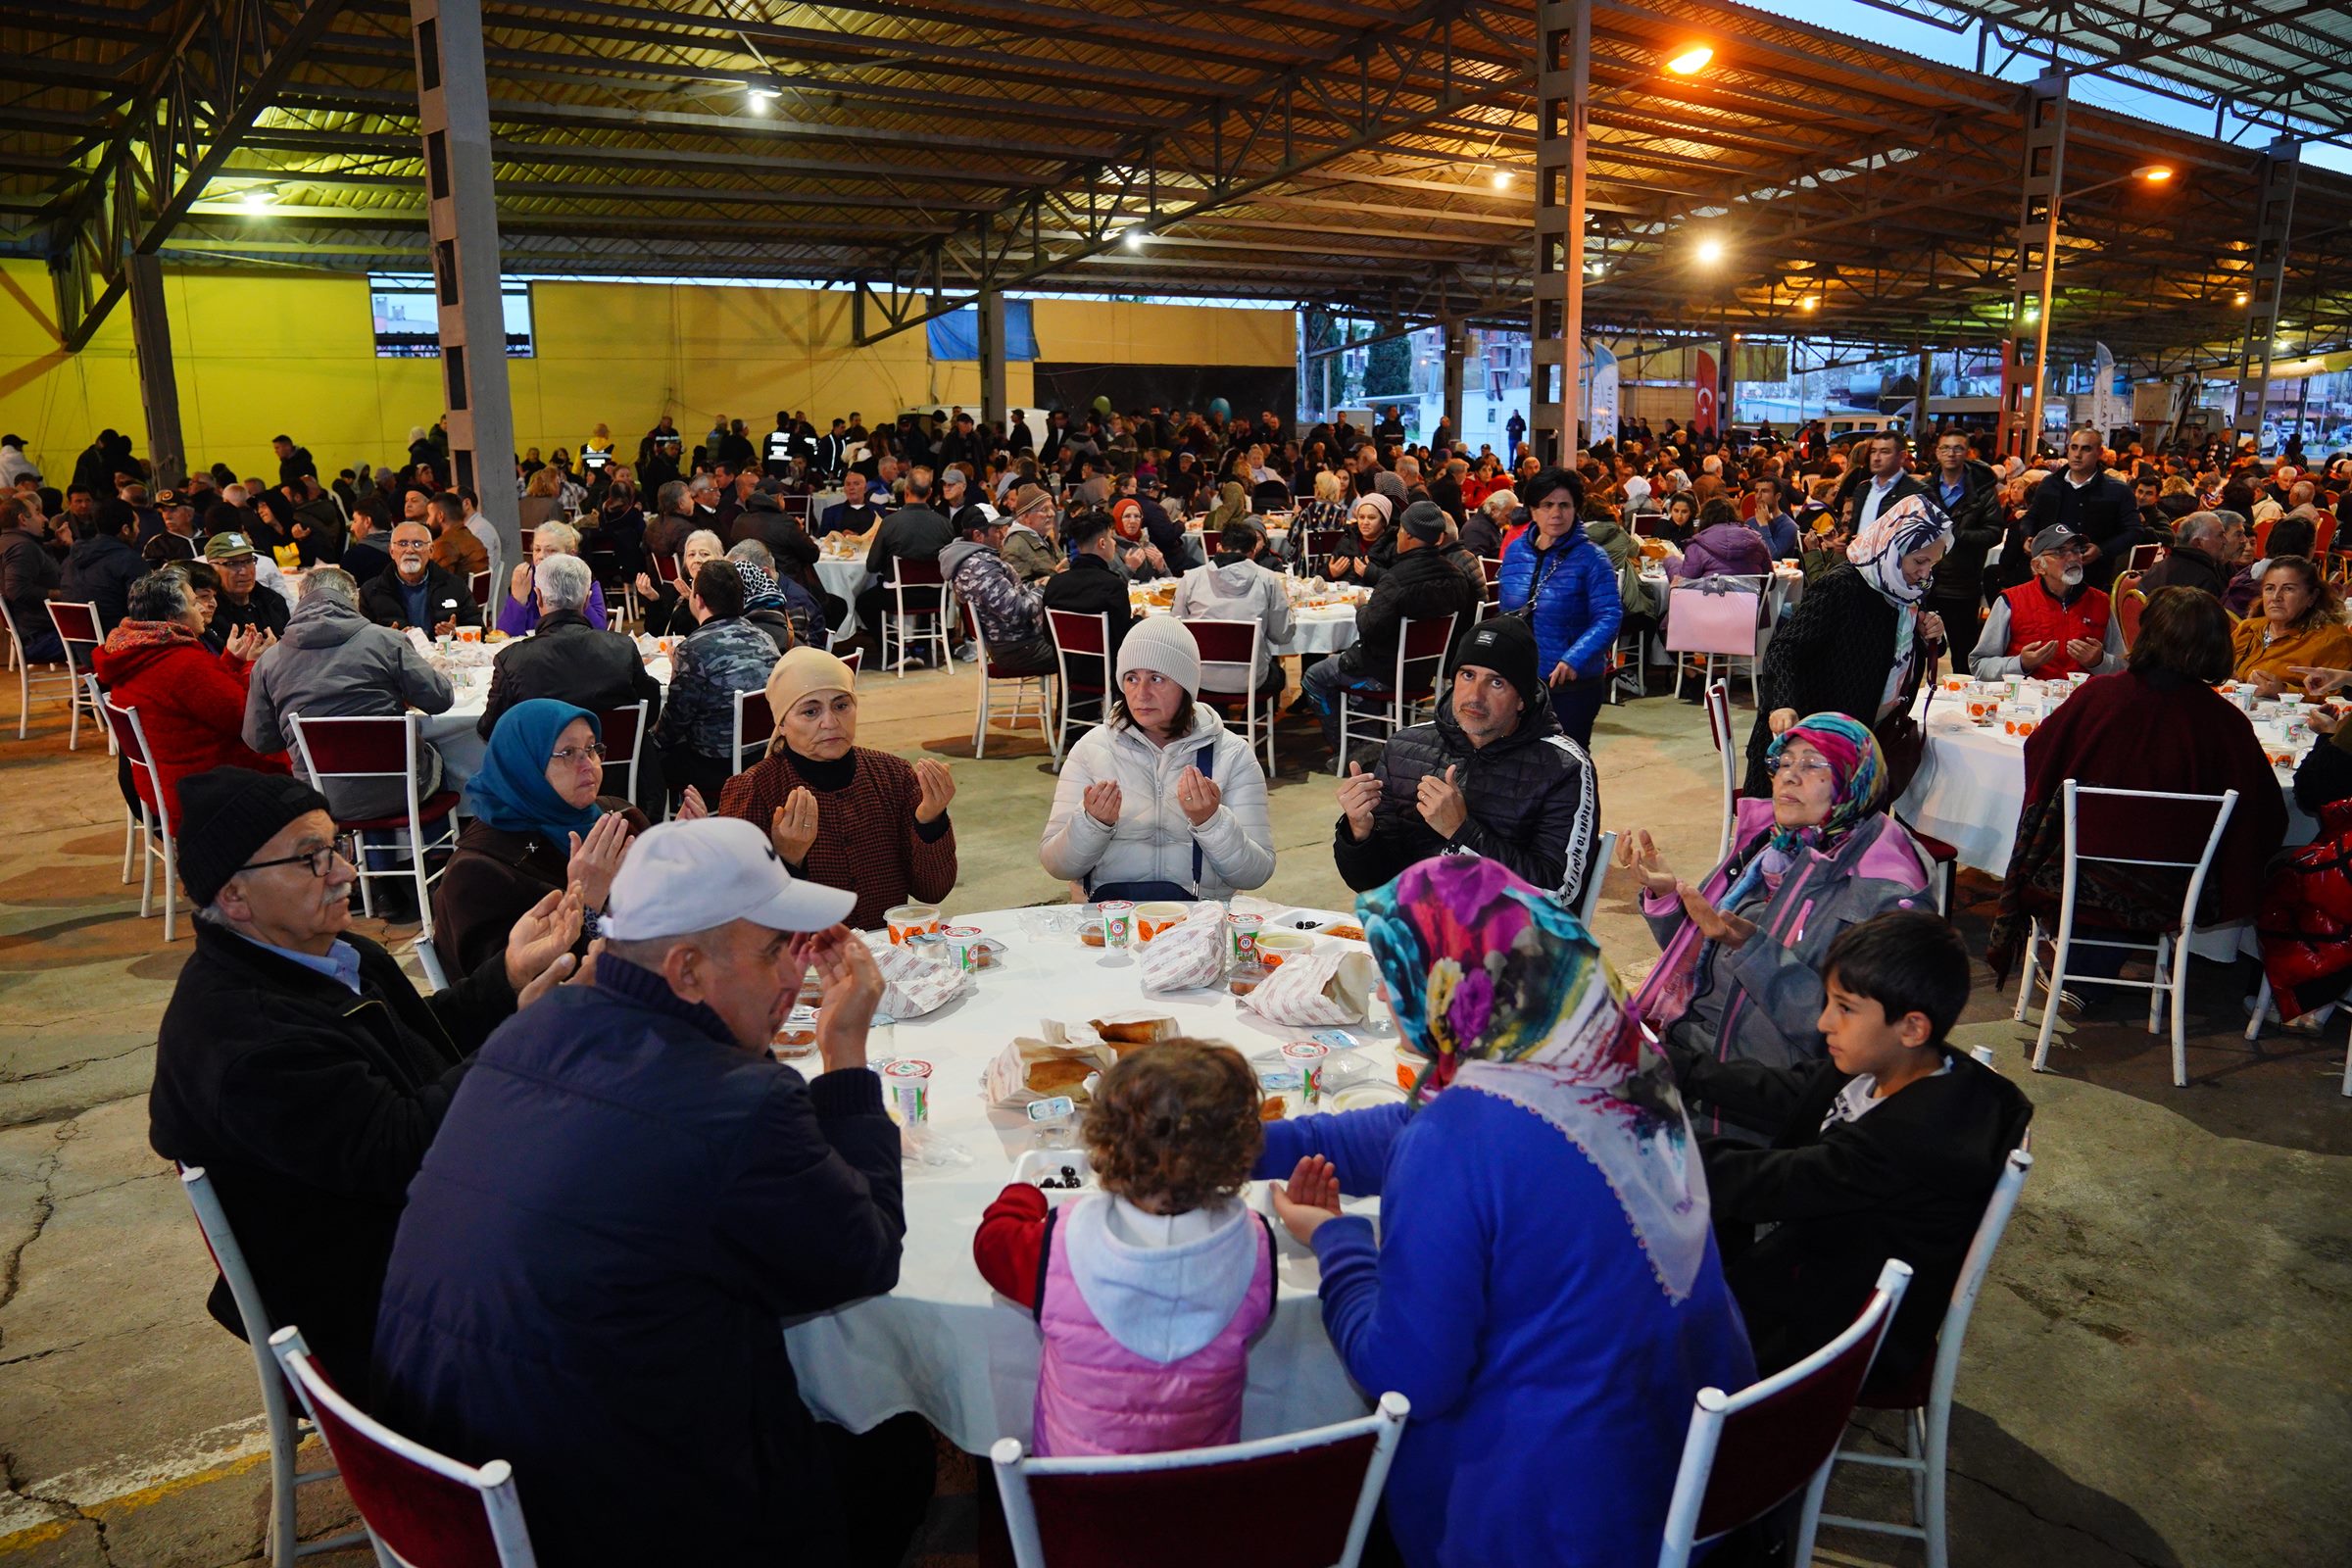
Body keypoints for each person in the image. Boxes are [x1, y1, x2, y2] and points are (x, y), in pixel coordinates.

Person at [370, 819, 910, 1567]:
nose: (794, 979)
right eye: (772, 952)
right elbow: (864, 1258)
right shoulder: (741, 1104)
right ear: (685, 971)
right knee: (891, 1450)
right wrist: (844, 1053)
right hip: (603, 1514)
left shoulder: (537, 1025)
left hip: (445, 1485)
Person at [1258, 856, 1752, 1567]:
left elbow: (1406, 1377)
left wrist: (1339, 1241)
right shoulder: (1607, 1061)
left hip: (1549, 1521)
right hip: (1689, 1467)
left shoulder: (1457, 1138)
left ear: (1455, 978)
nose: (1388, 994)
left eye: (1398, 970)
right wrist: (1252, 1145)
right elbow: (1409, 1131)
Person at [151, 766, 582, 1387]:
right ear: (235, 896)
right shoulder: (246, 1039)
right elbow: (402, 1150)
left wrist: (508, 979)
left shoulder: (329, 956)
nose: (346, 872)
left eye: (337, 847)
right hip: (386, 1308)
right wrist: (528, 1042)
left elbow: (415, 1041)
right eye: (311, 859)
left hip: (430, 1236)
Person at [1666, 911, 2034, 1390]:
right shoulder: (1905, 1063)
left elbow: (1777, 1183)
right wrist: (1674, 1068)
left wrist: (1654, 1148)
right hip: (1819, 1262)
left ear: (1912, 1027)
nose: (1823, 1023)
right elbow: (1786, 1090)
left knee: (1638, 1317)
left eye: (1844, 1008)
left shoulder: (1914, 1137)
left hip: (1843, 1329)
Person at [1631, 714, 1936, 1136]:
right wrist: (1668, 897)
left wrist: (1753, 951)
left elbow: (1861, 1036)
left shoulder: (1883, 894)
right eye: (1784, 762)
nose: (1789, 776)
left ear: (1853, 778)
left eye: (1812, 764)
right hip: (1688, 1045)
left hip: (1749, 1095)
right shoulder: (1773, 848)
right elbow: (1701, 958)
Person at [974, 1040, 1274, 1456]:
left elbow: (992, 1244)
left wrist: (1024, 1193)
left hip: (1074, 1481)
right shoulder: (1255, 1244)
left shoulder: (1062, 1244)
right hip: (1200, 1480)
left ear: (1102, 1146)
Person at [1986, 588, 2289, 992]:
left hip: (2079, 870)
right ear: (2218, 646)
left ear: (2146, 635)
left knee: (2103, 844)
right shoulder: (2226, 723)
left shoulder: (2100, 696)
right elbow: (2265, 815)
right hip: (2176, 885)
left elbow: (2041, 755)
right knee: (2150, 852)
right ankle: (2090, 970)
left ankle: (2081, 971)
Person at [1333, 615, 1599, 903]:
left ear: (1522, 698)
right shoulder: (1404, 747)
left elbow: (1558, 893)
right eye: (1468, 675)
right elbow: (1372, 883)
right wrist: (1359, 832)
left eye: (1496, 682)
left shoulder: (1564, 767)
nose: (1475, 696)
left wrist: (1461, 833)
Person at [715, 647, 958, 931]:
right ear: (781, 724)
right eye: (810, 711)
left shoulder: (894, 776)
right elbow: (742, 920)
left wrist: (930, 822)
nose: (830, 723)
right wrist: (788, 858)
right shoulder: (755, 790)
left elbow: (933, 891)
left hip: (887, 950)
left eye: (841, 706)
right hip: (803, 955)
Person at [1040, 617, 1274, 902]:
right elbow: (1057, 866)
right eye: (1132, 678)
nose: (1141, 694)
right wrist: (1092, 824)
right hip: (1113, 919)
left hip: (1200, 919)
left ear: (1186, 685)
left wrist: (1211, 822)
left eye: (1157, 678)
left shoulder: (1232, 754)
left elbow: (1254, 875)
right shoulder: (1091, 750)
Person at [1746, 493, 1950, 794]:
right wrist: (1782, 703)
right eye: (1920, 561)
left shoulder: (1906, 589)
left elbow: (1898, 650)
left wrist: (1931, 634)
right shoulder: (1844, 586)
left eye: (1932, 563)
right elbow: (1784, 648)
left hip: (1865, 738)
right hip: (1813, 739)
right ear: (1892, 548)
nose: (1925, 572)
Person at [433, 700, 644, 974]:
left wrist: (682, 859)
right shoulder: (477, 873)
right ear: (523, 765)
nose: (588, 764)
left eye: (591, 748)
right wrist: (585, 903)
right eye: (568, 753)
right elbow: (513, 990)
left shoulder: (615, 815)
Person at [244, 568, 456, 821]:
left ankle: (368, 849)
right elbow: (440, 699)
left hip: (320, 795)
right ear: (353, 599)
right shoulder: (387, 641)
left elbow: (261, 741)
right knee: (436, 752)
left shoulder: (268, 661)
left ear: (301, 600)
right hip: (399, 790)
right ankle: (432, 844)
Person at [92, 570, 286, 822]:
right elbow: (246, 721)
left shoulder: (137, 650)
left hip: (163, 782)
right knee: (301, 763)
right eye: (195, 603)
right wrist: (253, 666)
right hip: (203, 789)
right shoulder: (180, 663)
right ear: (173, 617)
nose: (203, 608)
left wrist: (234, 661)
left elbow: (205, 697)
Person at [1495, 466, 1621, 749]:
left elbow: (1609, 617)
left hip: (1572, 683)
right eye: (1547, 505)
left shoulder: (1592, 558)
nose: (1556, 513)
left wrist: (1574, 658)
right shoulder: (1515, 552)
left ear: (1576, 509)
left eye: (1564, 505)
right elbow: (1505, 614)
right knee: (1517, 759)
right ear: (1532, 510)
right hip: (1519, 680)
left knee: (1568, 760)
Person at [476, 552, 664, 734]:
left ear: (538, 597)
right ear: (587, 600)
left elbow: (489, 728)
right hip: (611, 753)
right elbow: (648, 711)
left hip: (542, 755)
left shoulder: (512, 660)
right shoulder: (622, 648)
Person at [651, 560, 782, 808]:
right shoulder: (765, 638)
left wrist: (648, 739)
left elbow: (673, 725)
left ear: (698, 600)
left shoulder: (694, 648)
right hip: (766, 754)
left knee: (647, 752)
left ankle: (663, 820)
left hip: (715, 762)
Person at [1970, 524, 2126, 681]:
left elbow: (2125, 668)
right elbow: (1980, 665)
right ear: (2038, 566)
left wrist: (2100, 662)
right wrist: (2021, 664)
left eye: (2076, 550)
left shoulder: (2100, 601)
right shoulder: (2012, 600)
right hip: (2027, 695)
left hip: (2084, 695)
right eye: (2060, 552)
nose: (2073, 558)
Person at [1171, 518, 1293, 697]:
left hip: (1200, 677)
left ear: (1218, 547)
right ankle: (1252, 714)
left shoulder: (1191, 578)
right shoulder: (1268, 579)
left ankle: (1216, 712)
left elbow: (1176, 628)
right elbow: (1281, 634)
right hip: (1251, 679)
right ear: (1253, 552)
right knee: (1277, 674)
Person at [2022, 426, 2142, 592]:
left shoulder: (2117, 490)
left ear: (2099, 453)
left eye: (2086, 449)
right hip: (2051, 573)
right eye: (2074, 447)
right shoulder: (2050, 484)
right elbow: (2031, 517)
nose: (2077, 454)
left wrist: (2101, 550)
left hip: (2093, 575)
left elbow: (2134, 531)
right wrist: (2028, 535)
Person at [941, 511, 1055, 675]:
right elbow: (1016, 611)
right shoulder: (981, 568)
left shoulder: (976, 562)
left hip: (1018, 644)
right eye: (996, 530)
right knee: (1082, 653)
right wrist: (1044, 589)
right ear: (978, 535)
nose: (1003, 535)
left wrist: (1034, 585)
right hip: (1018, 649)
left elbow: (1009, 596)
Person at [855, 468, 954, 649]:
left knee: (863, 602)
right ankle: (922, 645)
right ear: (930, 492)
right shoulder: (944, 524)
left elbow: (872, 565)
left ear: (906, 490)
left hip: (897, 596)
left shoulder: (891, 522)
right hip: (935, 596)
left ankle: (891, 647)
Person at [1040, 509, 1139, 678]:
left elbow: (1049, 636)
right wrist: (1139, 619)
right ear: (1102, 543)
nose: (1114, 543)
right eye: (1111, 538)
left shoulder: (1055, 584)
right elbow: (1123, 638)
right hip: (1108, 675)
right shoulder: (1113, 586)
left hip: (1070, 672)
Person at [2230, 554, 2352, 691]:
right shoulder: (2247, 629)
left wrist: (2284, 691)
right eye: (2269, 588)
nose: (2276, 597)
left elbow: (2339, 697)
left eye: (2288, 589)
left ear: (2312, 597)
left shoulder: (2333, 640)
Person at [359, 519, 479, 635]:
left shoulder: (455, 586)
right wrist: (387, 638)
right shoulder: (371, 592)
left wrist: (456, 633)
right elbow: (362, 639)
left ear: (431, 551)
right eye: (402, 544)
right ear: (391, 551)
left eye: (418, 544)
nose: (410, 550)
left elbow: (479, 632)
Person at [496, 519, 609, 635]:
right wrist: (517, 600)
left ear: (571, 554)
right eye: (537, 549)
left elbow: (599, 632)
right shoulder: (525, 580)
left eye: (551, 551)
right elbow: (504, 635)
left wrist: (577, 595)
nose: (541, 556)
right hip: (534, 645)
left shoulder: (586, 581)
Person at [60, 497, 147, 632]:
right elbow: (145, 612)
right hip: (119, 639)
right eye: (136, 525)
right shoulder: (130, 561)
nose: (139, 531)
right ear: (125, 529)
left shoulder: (70, 560)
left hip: (78, 642)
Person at [204, 531, 292, 644]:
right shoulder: (208, 612)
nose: (244, 571)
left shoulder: (273, 601)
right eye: (232, 563)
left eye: (249, 561)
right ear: (212, 568)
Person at [635, 527, 725, 638]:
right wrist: (654, 599)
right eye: (691, 555)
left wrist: (693, 602)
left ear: (719, 558)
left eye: (705, 554)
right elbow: (656, 633)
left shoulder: (723, 590)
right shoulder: (679, 588)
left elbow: (713, 635)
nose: (697, 560)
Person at [2134, 510, 2241, 599]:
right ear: (2198, 543)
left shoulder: (2157, 568)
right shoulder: (2204, 579)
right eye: (2220, 535)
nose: (2225, 541)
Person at [1672, 496, 1772, 580]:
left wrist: (1670, 561)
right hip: (1750, 597)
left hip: (1709, 598)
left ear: (1704, 519)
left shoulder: (1697, 547)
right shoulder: (1759, 544)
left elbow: (1683, 582)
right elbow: (1770, 582)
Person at [1322, 493, 1395, 583]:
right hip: (1343, 592)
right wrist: (1330, 573)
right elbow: (1321, 575)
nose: (1365, 522)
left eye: (1371, 518)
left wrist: (1370, 573)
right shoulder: (1347, 539)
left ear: (1384, 521)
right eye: (1361, 517)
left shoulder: (1393, 545)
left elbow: (1397, 581)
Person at [998, 484, 1060, 583]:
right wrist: (1054, 580)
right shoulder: (1014, 548)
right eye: (1044, 510)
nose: (1052, 514)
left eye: (1051, 508)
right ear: (1026, 517)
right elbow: (1018, 588)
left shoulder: (1045, 538)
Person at [818, 469, 888, 538]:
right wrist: (840, 536)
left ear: (865, 489)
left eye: (856, 484)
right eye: (848, 484)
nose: (851, 488)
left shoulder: (880, 510)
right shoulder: (831, 513)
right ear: (844, 489)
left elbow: (887, 536)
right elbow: (822, 539)